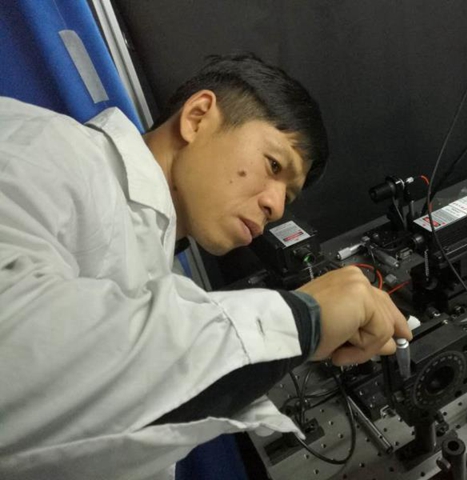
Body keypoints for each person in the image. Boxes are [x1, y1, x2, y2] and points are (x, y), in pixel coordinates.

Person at [0, 54, 411, 480]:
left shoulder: (156, 262)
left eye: (287, 197)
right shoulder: (39, 146)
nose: (275, 206)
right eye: (273, 165)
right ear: (197, 118)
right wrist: (299, 320)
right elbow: (17, 362)